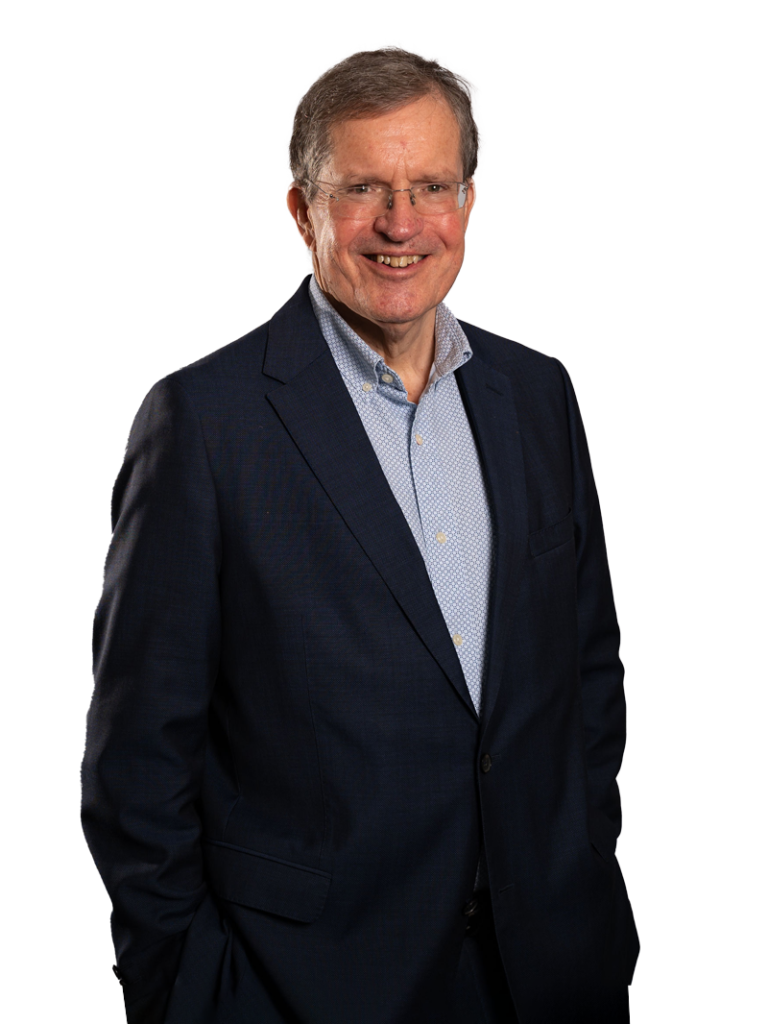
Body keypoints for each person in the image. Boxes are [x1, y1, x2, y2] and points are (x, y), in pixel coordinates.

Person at [80, 43, 640, 1024]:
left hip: (549, 972)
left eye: (431, 187)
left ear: (470, 199)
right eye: (364, 188)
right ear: (301, 209)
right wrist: (192, 993)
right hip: (308, 987)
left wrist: (585, 865)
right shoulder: (203, 422)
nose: (400, 224)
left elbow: (586, 677)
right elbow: (136, 763)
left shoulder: (538, 394)